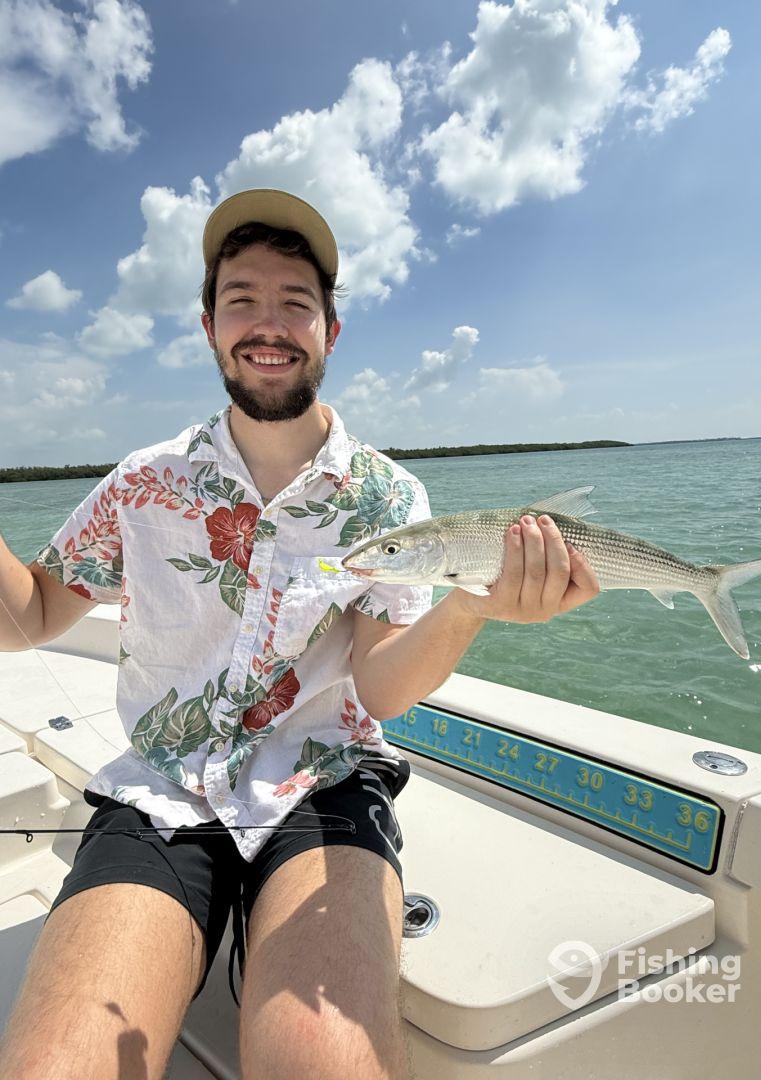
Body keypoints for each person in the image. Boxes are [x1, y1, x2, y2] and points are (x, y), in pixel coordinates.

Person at [0, 188, 600, 1080]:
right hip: (164, 792)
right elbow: (30, 617)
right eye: (242, 299)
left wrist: (468, 605)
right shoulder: (141, 484)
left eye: (296, 303)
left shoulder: (386, 500)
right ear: (208, 326)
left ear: (331, 331)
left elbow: (380, 688)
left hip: (323, 783)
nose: (268, 324)